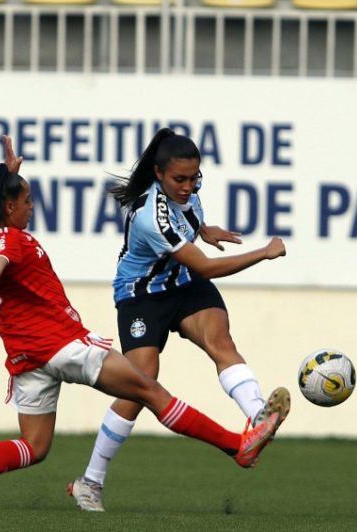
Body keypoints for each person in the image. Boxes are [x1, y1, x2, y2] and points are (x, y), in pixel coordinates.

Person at [0, 136, 285, 509]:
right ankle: (237, 446)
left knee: (35, 446)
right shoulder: (8, 240)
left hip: (26, 359)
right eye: (26, 201)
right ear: (9, 206)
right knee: (149, 390)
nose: (32, 207)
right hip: (62, 346)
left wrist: (10, 175)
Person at [69, 128, 291, 512]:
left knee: (221, 343)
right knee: (140, 384)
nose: (189, 186)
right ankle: (89, 482)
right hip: (142, 294)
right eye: (180, 179)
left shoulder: (186, 194)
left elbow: (188, 218)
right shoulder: (148, 217)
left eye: (194, 177)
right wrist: (264, 253)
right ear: (158, 174)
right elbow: (204, 266)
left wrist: (206, 229)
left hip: (181, 283)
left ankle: (258, 418)